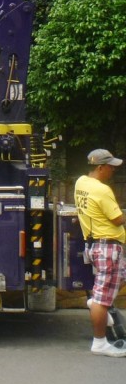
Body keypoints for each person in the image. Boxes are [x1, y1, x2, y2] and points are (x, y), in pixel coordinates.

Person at [74, 149, 126, 357]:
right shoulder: (102, 190)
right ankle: (100, 342)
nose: (113, 170)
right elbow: (117, 219)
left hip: (97, 245)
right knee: (103, 299)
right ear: (100, 167)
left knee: (120, 277)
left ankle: (96, 302)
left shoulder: (80, 183)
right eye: (110, 166)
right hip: (107, 247)